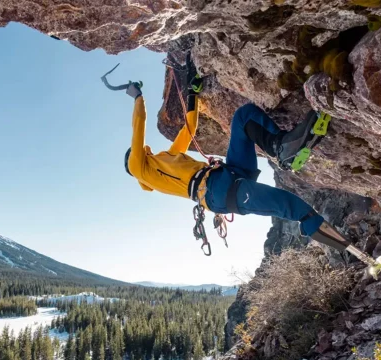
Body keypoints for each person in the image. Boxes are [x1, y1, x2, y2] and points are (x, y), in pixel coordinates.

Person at [122, 56, 354, 252]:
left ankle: (281, 148)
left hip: (228, 174)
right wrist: (137, 97)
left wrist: (192, 93)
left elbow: (190, 128)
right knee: (285, 203)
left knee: (243, 117)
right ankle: (320, 228)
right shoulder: (139, 170)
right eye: (135, 152)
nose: (140, 149)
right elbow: (138, 128)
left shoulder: (167, 157)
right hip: (218, 192)